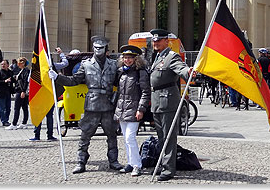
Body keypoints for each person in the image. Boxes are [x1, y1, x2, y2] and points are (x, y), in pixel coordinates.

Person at [50, 36, 123, 174]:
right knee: (85, 135)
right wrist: (58, 77)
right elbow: (75, 80)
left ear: (106, 49)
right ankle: (81, 161)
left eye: (101, 48)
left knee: (112, 134)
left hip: (108, 104)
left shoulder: (114, 64)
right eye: (96, 48)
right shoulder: (86, 64)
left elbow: (121, 82)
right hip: (92, 105)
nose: (98, 50)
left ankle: (113, 161)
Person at [149, 28, 193, 182]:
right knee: (161, 137)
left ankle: (168, 169)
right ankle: (162, 164)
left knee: (168, 137)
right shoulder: (156, 56)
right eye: (154, 41)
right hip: (157, 102)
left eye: (159, 40)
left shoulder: (171, 56)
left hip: (167, 101)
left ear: (166, 41)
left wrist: (189, 72)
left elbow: (182, 69)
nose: (155, 43)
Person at [115, 45, 151, 177]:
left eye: (130, 57)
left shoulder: (140, 72)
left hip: (134, 108)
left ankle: (137, 165)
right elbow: (119, 92)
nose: (127, 60)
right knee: (125, 138)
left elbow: (145, 92)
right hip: (122, 108)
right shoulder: (121, 72)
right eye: (125, 57)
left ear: (136, 59)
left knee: (130, 137)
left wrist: (141, 109)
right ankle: (130, 163)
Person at [29, 47, 68, 142]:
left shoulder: (36, 68)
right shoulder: (52, 66)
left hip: (42, 95)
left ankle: (38, 135)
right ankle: (49, 135)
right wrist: (61, 53)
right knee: (49, 115)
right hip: (49, 94)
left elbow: (30, 81)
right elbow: (65, 63)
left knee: (41, 115)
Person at [6, 57, 30, 130]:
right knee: (24, 107)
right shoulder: (22, 70)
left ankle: (14, 124)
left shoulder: (26, 70)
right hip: (21, 90)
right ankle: (24, 123)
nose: (17, 64)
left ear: (22, 63)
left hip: (21, 91)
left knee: (17, 108)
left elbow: (25, 81)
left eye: (18, 63)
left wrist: (23, 91)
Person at [0, 59, 14, 127]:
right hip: (1, 92)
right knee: (2, 108)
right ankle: (4, 121)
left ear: (8, 65)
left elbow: (13, 80)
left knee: (8, 107)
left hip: (8, 92)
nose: (3, 65)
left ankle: (7, 120)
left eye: (4, 64)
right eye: (2, 64)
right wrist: (4, 81)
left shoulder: (10, 72)